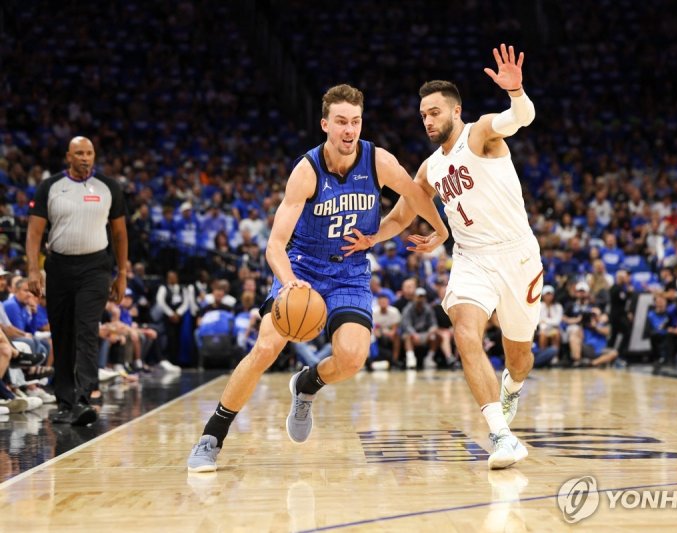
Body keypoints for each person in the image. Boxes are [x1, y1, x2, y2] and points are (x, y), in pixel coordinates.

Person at [187, 84, 449, 472]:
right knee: (265, 347)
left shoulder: (378, 161)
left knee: (353, 357)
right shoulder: (306, 172)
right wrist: (289, 280)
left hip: (349, 272)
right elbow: (275, 244)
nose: (349, 130)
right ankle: (212, 434)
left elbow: (415, 197)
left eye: (356, 122)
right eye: (341, 121)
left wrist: (433, 230)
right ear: (325, 124)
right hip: (303, 268)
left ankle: (307, 384)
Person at [343, 44, 540, 469]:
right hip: (471, 258)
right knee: (465, 331)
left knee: (519, 355)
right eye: (423, 115)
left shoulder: (481, 134)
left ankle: (511, 386)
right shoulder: (429, 168)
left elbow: (520, 118)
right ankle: (501, 436)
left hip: (518, 256)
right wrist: (369, 239)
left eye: (434, 112)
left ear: (456, 111)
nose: (428, 120)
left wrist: (517, 91)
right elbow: (400, 216)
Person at [26, 136, 128, 426]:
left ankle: (84, 397)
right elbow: (34, 233)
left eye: (89, 153)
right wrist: (33, 270)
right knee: (62, 332)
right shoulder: (50, 187)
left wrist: (121, 274)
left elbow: (120, 234)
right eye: (79, 153)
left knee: (86, 328)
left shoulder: (110, 187)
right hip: (58, 265)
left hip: (96, 266)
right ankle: (64, 401)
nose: (85, 158)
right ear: (68, 157)